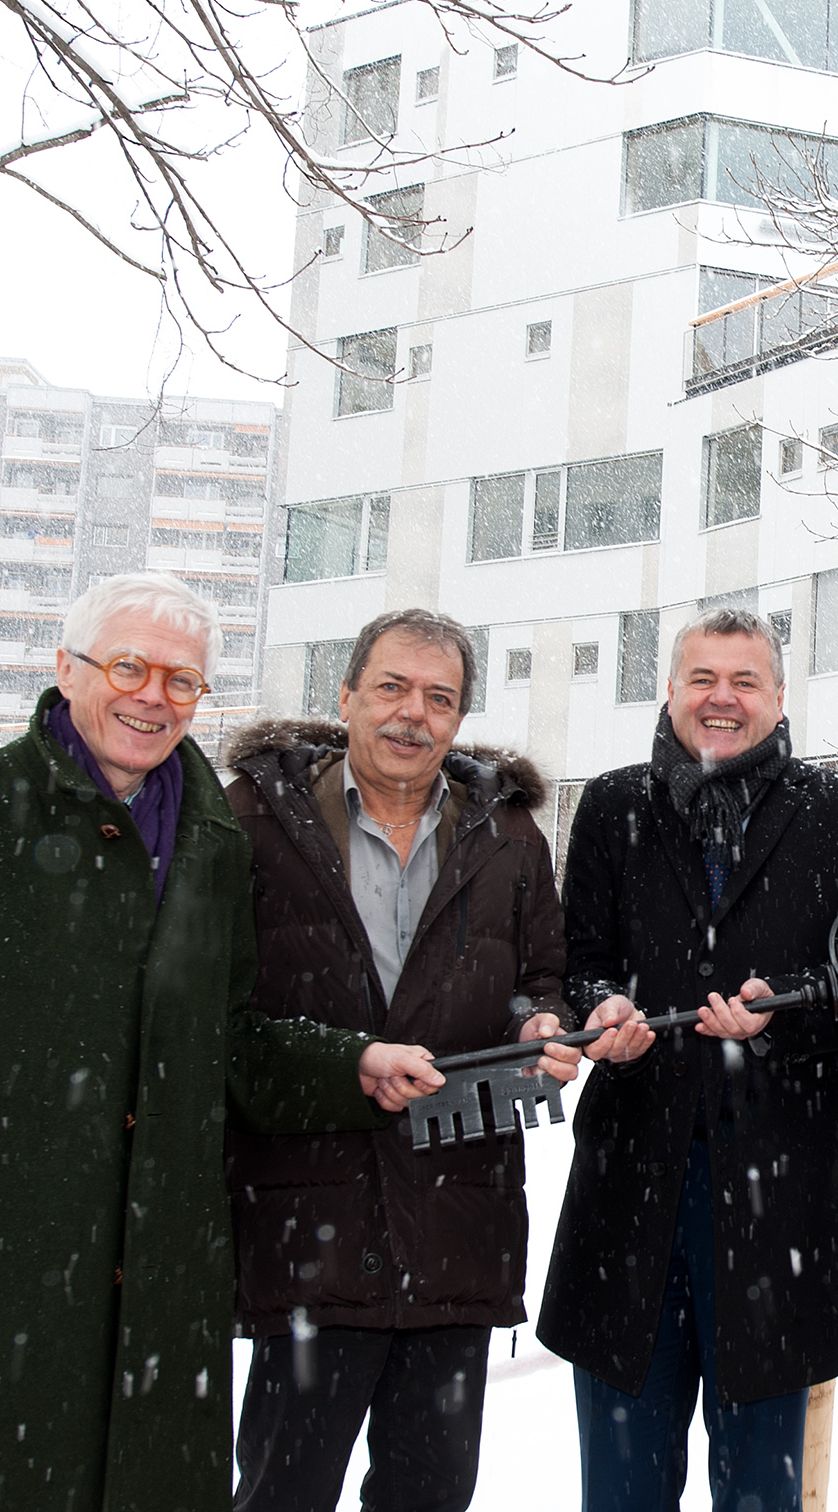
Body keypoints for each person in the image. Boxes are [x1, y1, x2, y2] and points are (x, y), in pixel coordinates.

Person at [0, 572, 418, 1512]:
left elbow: (222, 1042)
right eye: (128, 666)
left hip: (150, 1312)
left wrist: (349, 1064)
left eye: (181, 680)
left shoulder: (212, 843)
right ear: (67, 669)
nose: (153, 697)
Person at [221, 608, 584, 1512]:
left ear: (459, 719)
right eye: (390, 687)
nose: (410, 714)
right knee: (281, 1491)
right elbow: (220, 1019)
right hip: (312, 1229)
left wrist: (541, 1022)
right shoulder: (252, 823)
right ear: (345, 696)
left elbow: (542, 977)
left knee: (429, 1492)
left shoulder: (509, 840)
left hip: (456, 1227)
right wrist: (345, 1060)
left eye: (438, 697)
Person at [537, 607, 838, 1512]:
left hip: (781, 1217)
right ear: (670, 689)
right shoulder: (614, 805)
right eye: (702, 678)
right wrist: (598, 1006)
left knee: (762, 1496)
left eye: (744, 680)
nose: (721, 698)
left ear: (779, 696)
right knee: (621, 1491)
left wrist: (780, 1013)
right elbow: (580, 962)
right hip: (631, 1205)